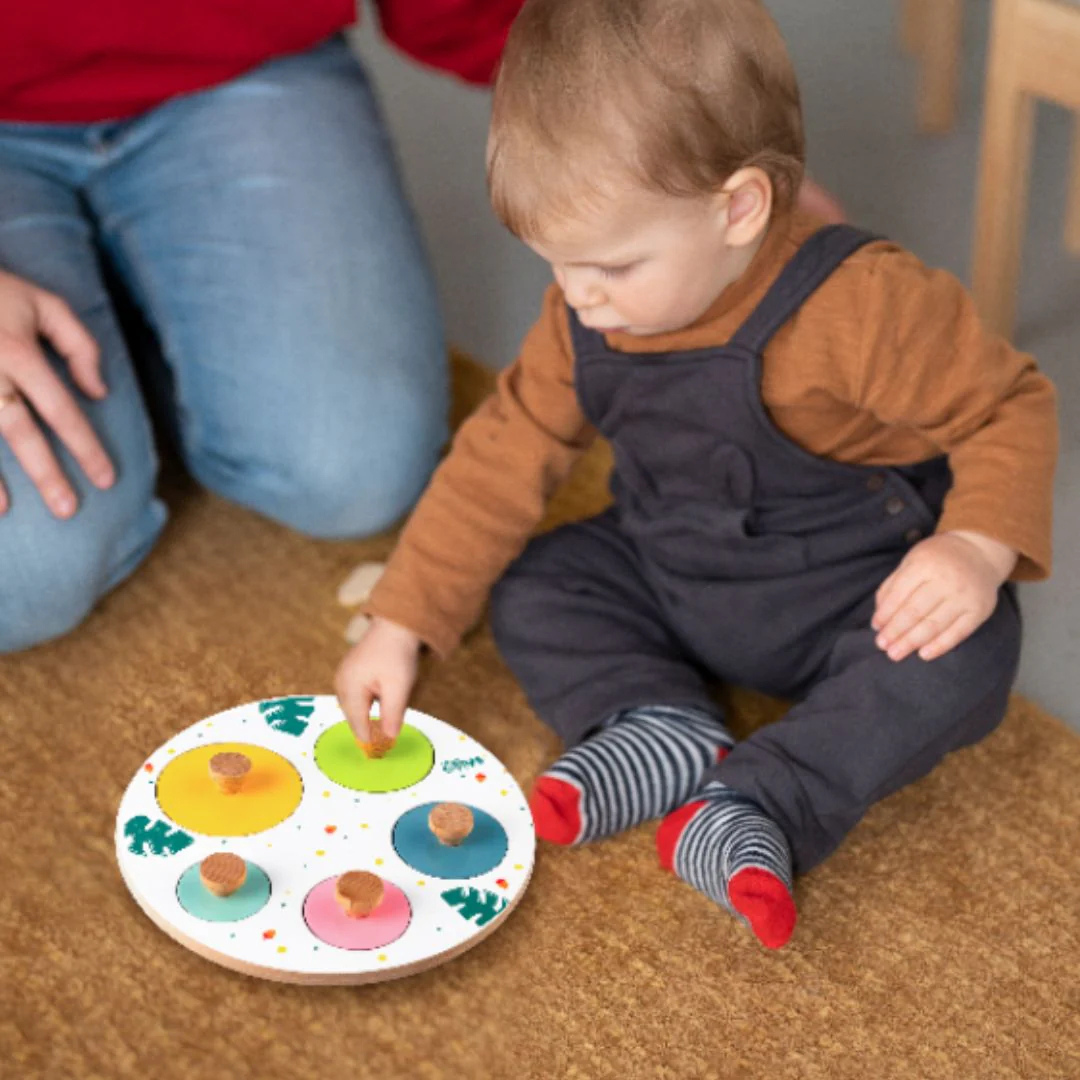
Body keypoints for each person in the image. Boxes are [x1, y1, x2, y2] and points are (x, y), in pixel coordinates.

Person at [339, 0, 1052, 949]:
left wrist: (973, 546)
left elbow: (1010, 403)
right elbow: (502, 456)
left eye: (613, 266)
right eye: (558, 266)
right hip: (669, 570)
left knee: (970, 655)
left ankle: (762, 796)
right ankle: (655, 721)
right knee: (535, 584)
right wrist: (402, 620)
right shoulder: (583, 306)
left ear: (739, 208)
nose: (579, 298)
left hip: (856, 600)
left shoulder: (862, 302)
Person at [0, 1, 528, 654]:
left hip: (234, 61)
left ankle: (140, 303)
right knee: (24, 572)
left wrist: (647, 97)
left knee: (352, 469)